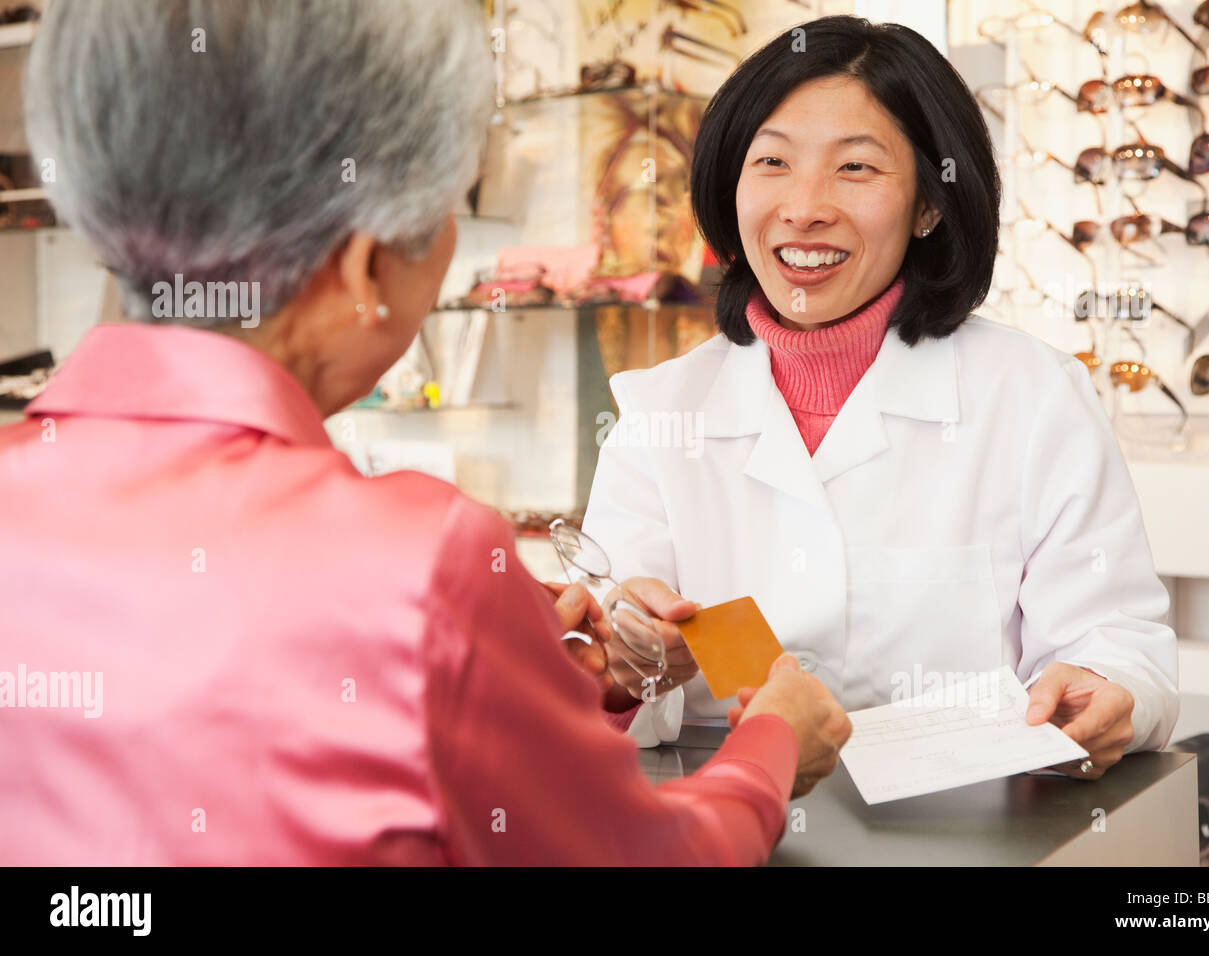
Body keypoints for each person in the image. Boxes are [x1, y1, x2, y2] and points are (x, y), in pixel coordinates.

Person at [0, 0, 850, 866]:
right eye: (446, 210)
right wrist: (771, 746)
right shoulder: (419, 567)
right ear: (369, 269)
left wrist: (531, 690)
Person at [585, 16, 1178, 780]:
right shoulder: (658, 414)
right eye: (772, 162)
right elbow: (613, 691)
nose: (803, 207)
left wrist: (1106, 692)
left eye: (855, 169)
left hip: (972, 836)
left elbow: (1119, 643)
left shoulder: (1032, 397)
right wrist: (630, 667)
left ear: (930, 204)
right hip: (730, 828)